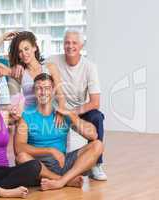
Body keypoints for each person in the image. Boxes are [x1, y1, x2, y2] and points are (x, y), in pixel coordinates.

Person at [14, 73, 104, 190]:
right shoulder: (26, 115)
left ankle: (61, 180)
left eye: (47, 88)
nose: (43, 92)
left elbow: (93, 135)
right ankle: (64, 180)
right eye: (39, 88)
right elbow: (19, 148)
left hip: (62, 163)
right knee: (21, 158)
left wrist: (71, 114)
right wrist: (50, 150)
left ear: (53, 91)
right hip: (39, 166)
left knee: (97, 145)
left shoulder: (62, 114)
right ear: (34, 91)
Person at [47, 29, 107, 180]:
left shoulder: (89, 67)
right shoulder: (53, 61)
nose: (70, 46)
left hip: (77, 110)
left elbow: (95, 102)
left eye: (74, 43)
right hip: (56, 110)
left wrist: (70, 112)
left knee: (97, 117)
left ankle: (96, 164)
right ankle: (54, 163)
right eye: (67, 42)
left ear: (81, 46)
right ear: (63, 45)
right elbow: (34, 67)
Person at [0, 31, 66, 126]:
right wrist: (3, 37)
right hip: (30, 118)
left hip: (50, 114)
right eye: (20, 51)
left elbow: (61, 95)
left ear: (34, 47)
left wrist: (61, 112)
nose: (24, 54)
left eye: (26, 49)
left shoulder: (50, 67)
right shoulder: (19, 73)